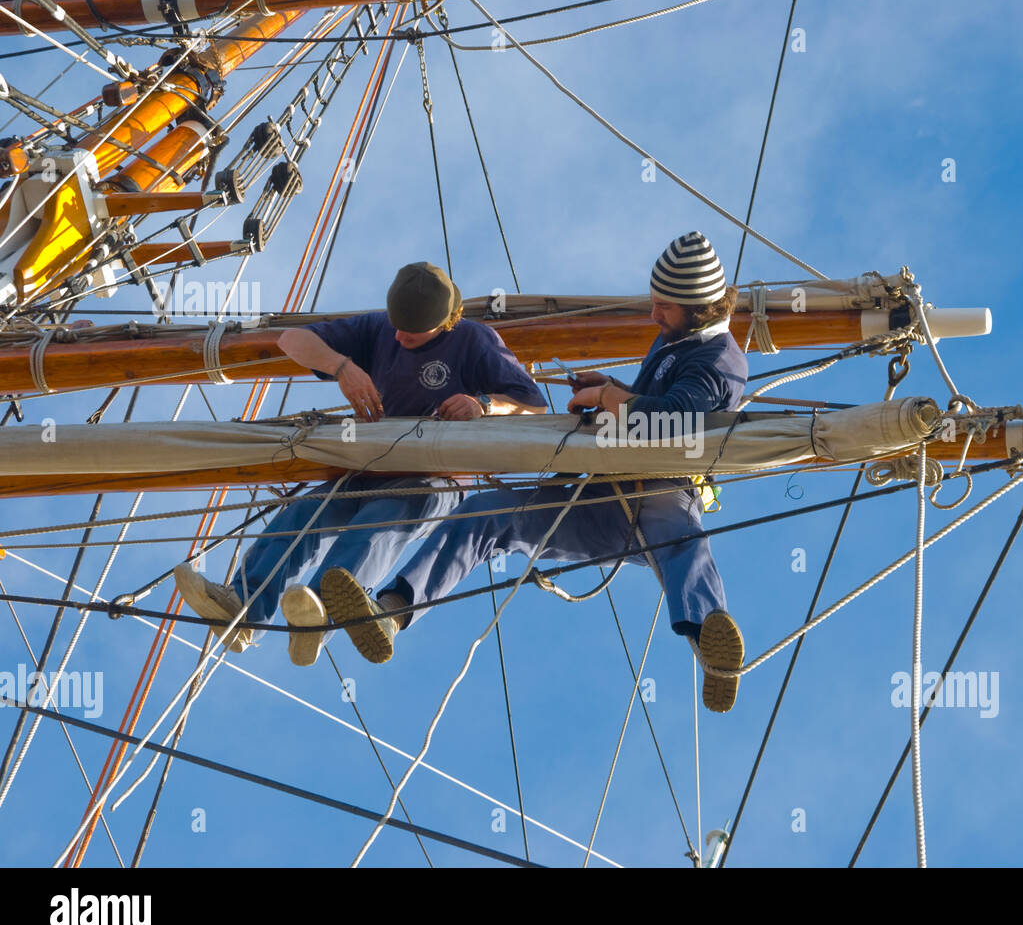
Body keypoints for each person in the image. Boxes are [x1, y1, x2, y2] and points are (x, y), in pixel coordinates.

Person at [320, 233, 750, 713]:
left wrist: (609, 399)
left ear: (700, 308)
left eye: (664, 308)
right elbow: (650, 401)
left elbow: (671, 421)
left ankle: (712, 648)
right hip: (599, 493)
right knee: (485, 513)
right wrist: (612, 385)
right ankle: (393, 611)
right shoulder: (680, 336)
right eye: (653, 303)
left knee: (681, 542)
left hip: (661, 489)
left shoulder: (719, 362)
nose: (653, 316)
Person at [173, 262, 547, 665]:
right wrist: (342, 367)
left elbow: (534, 409)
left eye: (412, 330)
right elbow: (291, 339)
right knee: (301, 515)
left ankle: (319, 612)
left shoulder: (475, 341)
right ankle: (244, 609)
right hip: (368, 463)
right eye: (396, 324)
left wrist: (484, 404)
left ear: (446, 323)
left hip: (433, 474)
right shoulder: (381, 328)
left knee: (379, 525)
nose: (399, 336)